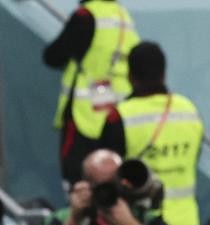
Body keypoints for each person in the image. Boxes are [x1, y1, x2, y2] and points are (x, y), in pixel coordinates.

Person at [98, 41, 205, 225]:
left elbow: (107, 173)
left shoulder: (120, 116)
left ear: (130, 76)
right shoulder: (188, 109)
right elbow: (195, 157)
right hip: (186, 223)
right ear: (164, 74)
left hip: (141, 224)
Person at [43, 0, 139, 185]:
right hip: (115, 111)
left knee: (78, 178)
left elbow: (53, 56)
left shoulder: (86, 16)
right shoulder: (122, 16)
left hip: (84, 113)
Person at [44, 148, 171, 225]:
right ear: (86, 185)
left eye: (114, 184)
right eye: (102, 187)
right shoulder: (62, 219)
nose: (109, 192)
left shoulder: (147, 219)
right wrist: (73, 221)